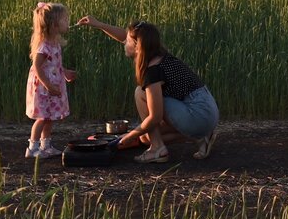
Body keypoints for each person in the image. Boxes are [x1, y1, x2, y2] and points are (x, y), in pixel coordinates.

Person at [76, 16, 219, 162]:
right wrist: (99, 24)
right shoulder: (157, 53)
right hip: (206, 112)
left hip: (197, 114)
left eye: (129, 41)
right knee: (145, 138)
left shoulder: (153, 70)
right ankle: (201, 136)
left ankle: (158, 149)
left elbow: (155, 117)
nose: (125, 42)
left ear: (138, 46)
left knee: (141, 93)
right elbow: (124, 36)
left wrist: (127, 137)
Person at [25, 2, 77, 158]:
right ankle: (32, 148)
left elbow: (54, 65)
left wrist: (65, 72)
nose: (67, 22)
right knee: (42, 118)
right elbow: (37, 67)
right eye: (64, 19)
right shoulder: (43, 47)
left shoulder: (54, 43)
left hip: (52, 84)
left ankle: (45, 145)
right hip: (43, 88)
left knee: (49, 118)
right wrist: (48, 85)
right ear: (54, 24)